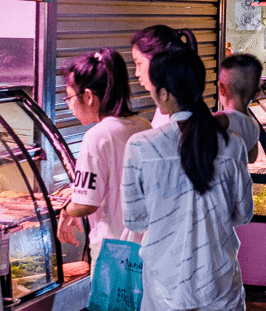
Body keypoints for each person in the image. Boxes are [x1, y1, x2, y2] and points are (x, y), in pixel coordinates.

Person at [121, 47, 253, 311]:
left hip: (164, 289)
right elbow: (243, 214)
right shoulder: (232, 145)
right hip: (220, 285)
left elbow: (135, 219)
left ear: (164, 93)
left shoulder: (141, 147)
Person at [57, 48, 151, 265]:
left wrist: (66, 210)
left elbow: (85, 203)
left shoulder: (97, 136)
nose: (69, 106)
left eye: (69, 97)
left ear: (88, 96)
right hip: (142, 246)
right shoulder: (143, 125)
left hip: (112, 250)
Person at [131, 25, 198, 128]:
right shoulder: (163, 110)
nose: (137, 73)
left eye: (139, 63)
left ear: (157, 61)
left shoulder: (174, 117)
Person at [215, 53, 263, 163]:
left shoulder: (222, 119)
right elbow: (252, 158)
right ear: (257, 94)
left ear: (221, 88)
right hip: (238, 178)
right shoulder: (253, 125)